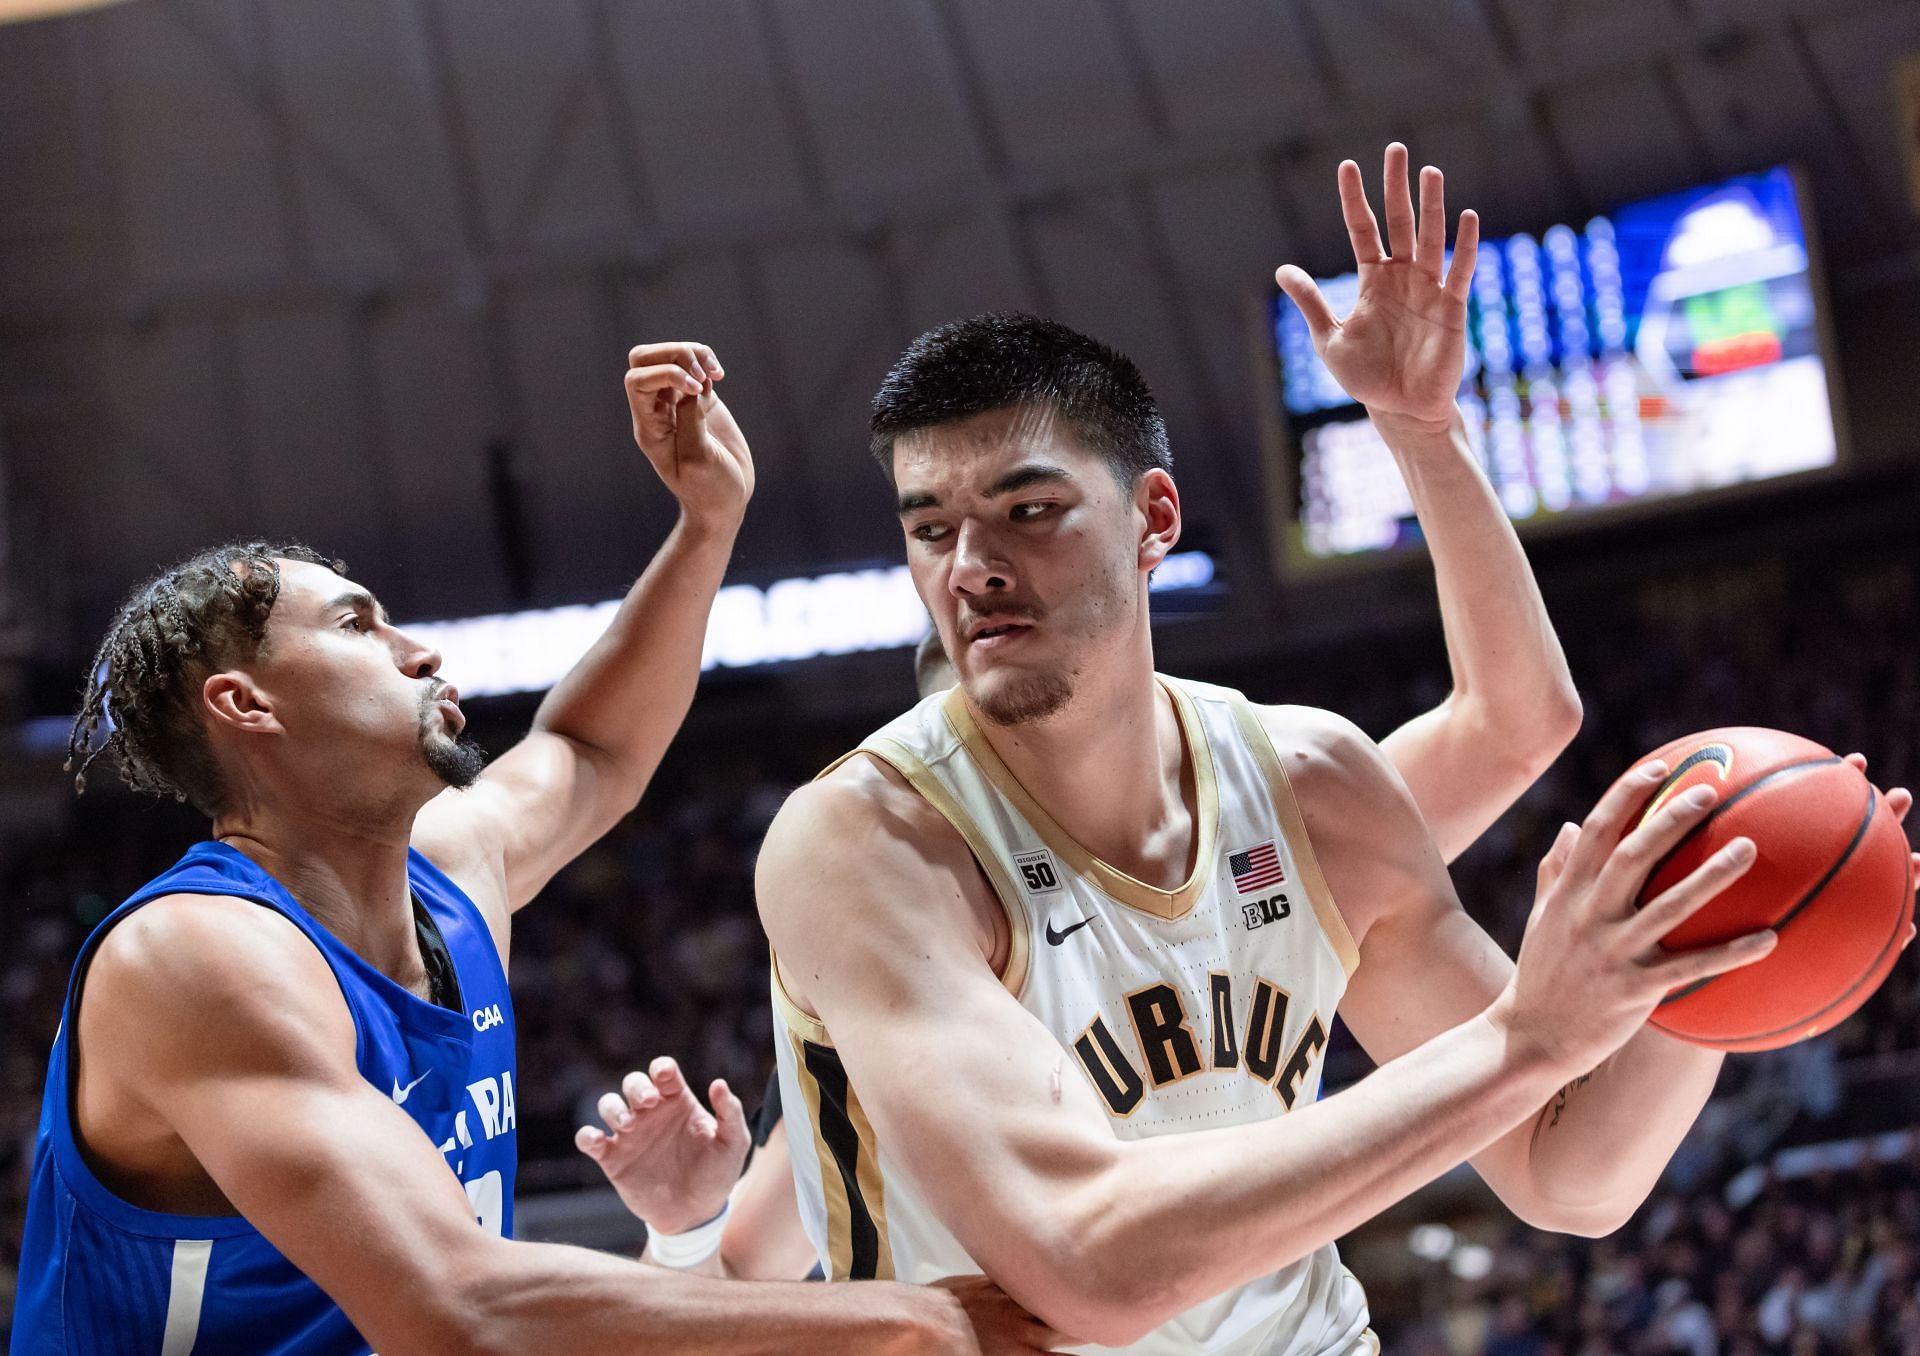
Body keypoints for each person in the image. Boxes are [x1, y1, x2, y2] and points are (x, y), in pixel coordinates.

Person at [745, 145, 1916, 1354]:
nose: (971, 565)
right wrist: (1523, 1041)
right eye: (932, 528)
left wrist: (1706, 963)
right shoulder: (865, 843)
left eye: (1027, 510)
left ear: (1154, 520)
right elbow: (1086, 1264)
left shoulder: (1310, 787)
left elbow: (1569, 1172)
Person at [8, 344, 1063, 1354]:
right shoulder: (196, 959)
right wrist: (912, 1322)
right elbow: (455, 1311)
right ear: (245, 703)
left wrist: (705, 522)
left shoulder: (457, 871)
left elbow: (590, 746)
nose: (418, 650)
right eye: (355, 626)